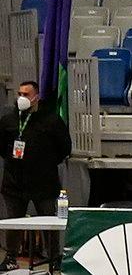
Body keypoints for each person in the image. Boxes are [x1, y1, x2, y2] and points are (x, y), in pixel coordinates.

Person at [0, 81, 71, 271]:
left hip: (44, 182)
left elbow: (64, 147)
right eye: (19, 93)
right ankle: (11, 257)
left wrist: (45, 162)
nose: (22, 98)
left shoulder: (52, 120)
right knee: (13, 223)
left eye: (26, 94)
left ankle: (54, 257)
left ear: (36, 97)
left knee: (49, 222)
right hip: (14, 182)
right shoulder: (9, 120)